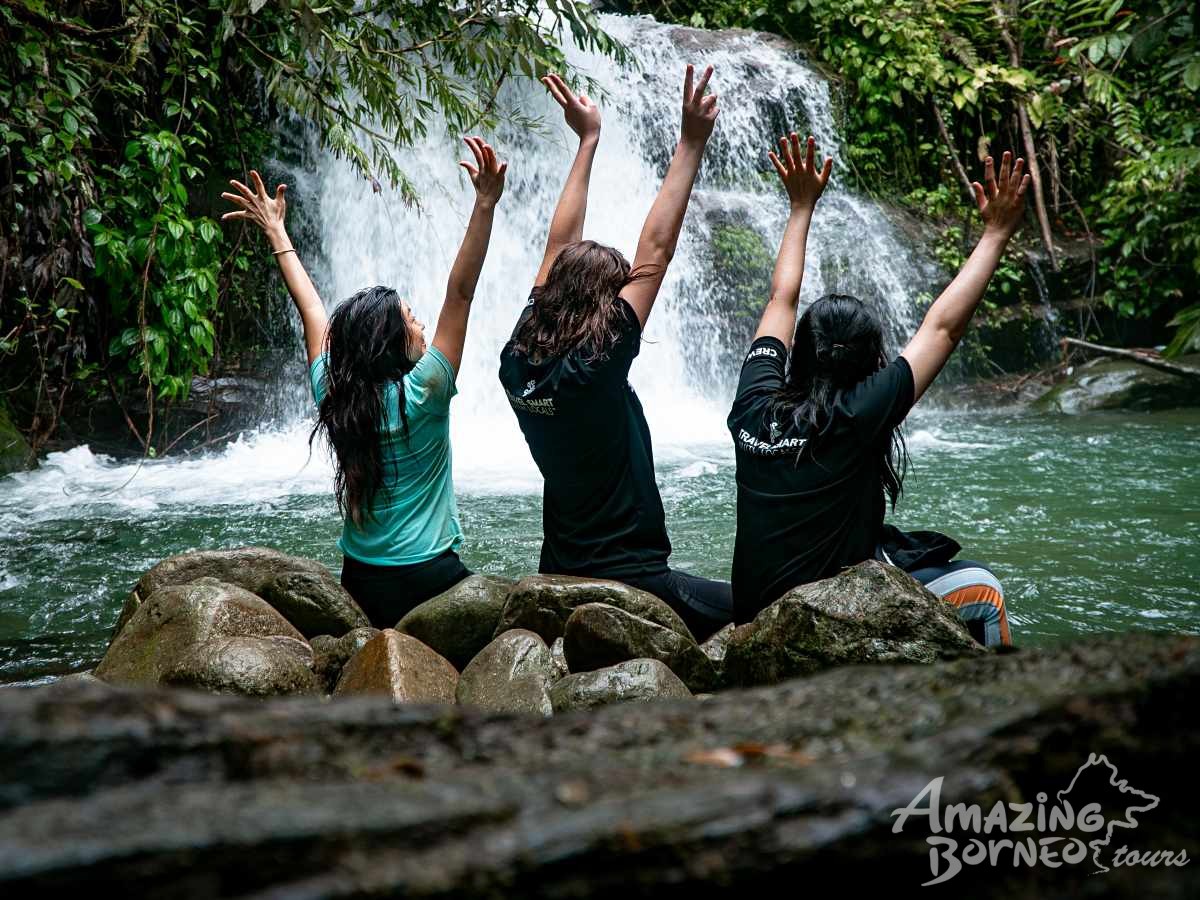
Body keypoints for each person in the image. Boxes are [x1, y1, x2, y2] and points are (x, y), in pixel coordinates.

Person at [727, 131, 1024, 646]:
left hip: (756, 606)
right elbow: (943, 328)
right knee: (985, 589)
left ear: (798, 352)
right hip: (819, 617)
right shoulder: (860, 411)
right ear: (870, 362)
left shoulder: (754, 402)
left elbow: (781, 298)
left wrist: (799, 207)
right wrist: (996, 232)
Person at [221, 138, 508, 627]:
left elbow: (311, 310)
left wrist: (276, 231)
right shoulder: (427, 392)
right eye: (412, 321)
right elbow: (460, 292)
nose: (421, 326)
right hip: (432, 577)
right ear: (393, 346)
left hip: (362, 580)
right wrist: (484, 204)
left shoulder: (334, 396)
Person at [498, 66, 732, 641]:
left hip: (559, 567)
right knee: (758, 603)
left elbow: (557, 247)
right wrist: (691, 142)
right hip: (632, 575)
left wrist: (587, 142)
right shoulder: (595, 366)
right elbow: (657, 247)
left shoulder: (518, 358)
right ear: (607, 307)